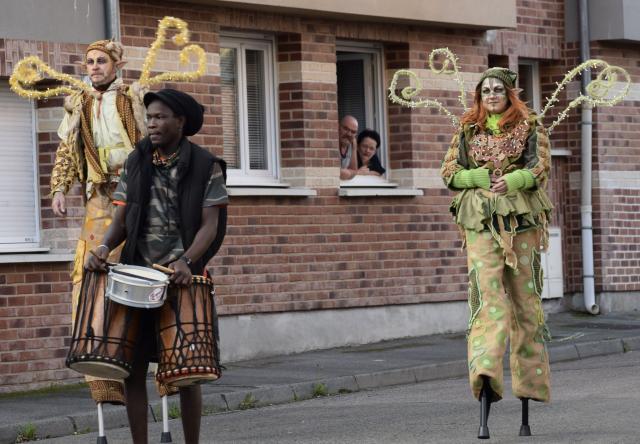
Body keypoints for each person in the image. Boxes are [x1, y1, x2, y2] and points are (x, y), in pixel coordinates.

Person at [86, 88, 228, 444]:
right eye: (149, 117)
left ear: (181, 122)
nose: (152, 124)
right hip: (137, 276)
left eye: (161, 117)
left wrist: (187, 261)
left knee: (186, 372)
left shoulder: (205, 165)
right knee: (132, 370)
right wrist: (103, 247)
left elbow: (210, 225)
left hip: (181, 279)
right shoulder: (136, 161)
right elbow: (121, 218)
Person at [440, 67, 552, 439]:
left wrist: (515, 179)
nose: (491, 95)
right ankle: (486, 371)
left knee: (524, 301)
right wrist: (477, 178)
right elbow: (449, 172)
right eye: (485, 90)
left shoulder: (530, 126)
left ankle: (530, 382)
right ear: (478, 95)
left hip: (520, 220)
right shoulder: (468, 130)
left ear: (509, 93)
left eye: (497, 89)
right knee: (488, 300)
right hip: (481, 221)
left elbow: (540, 166)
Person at [51, 39, 141, 406]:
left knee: (135, 266)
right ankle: (98, 367)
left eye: (101, 61)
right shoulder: (80, 102)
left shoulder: (134, 96)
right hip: (99, 194)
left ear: (116, 64)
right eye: (89, 62)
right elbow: (67, 149)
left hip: (136, 192)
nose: (94, 67)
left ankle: (145, 354)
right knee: (89, 271)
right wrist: (60, 187)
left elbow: (151, 140)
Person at [339, 115, 358, 179]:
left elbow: (354, 170)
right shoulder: (332, 141)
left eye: (353, 132)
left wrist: (347, 174)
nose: (349, 134)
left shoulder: (353, 142)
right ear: (338, 127)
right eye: (346, 129)